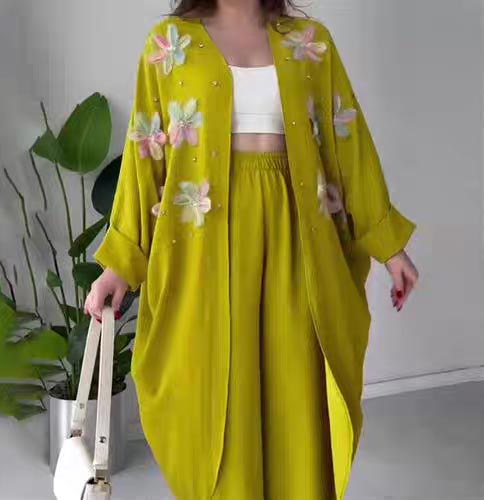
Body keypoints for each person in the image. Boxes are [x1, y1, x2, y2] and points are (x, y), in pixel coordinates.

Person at [84, 1, 419, 498]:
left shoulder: (309, 41)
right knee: (223, 387)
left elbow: (346, 144)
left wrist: (389, 247)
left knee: (296, 382)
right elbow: (145, 155)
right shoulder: (169, 44)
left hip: (296, 240)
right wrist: (119, 264)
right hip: (204, 247)